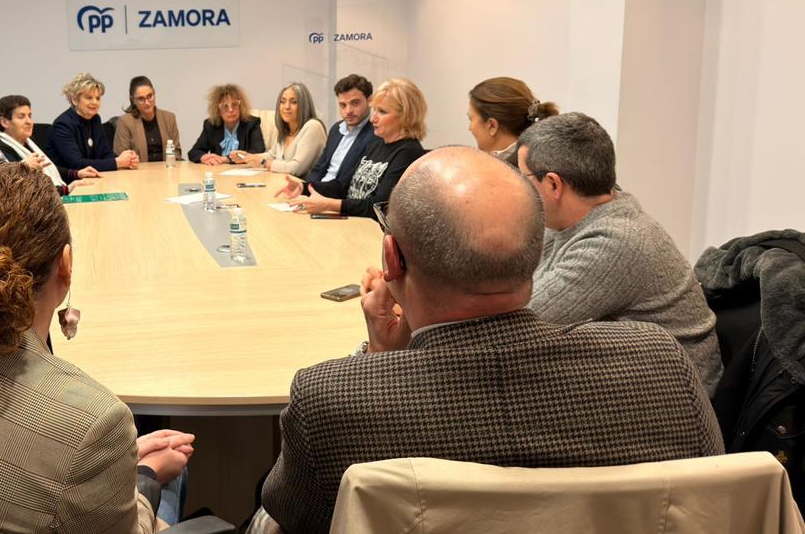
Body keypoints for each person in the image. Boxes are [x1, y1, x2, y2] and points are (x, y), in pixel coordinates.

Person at [254, 147, 724, 534]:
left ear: (391, 259)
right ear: (537, 252)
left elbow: (294, 517)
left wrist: (380, 359)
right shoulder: (660, 365)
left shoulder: (331, 400)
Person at [0, 163, 194, 533]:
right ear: (66, 265)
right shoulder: (95, 420)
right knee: (176, 474)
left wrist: (110, 468)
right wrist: (143, 476)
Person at [517, 112, 723, 393]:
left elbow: (520, 323)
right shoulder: (573, 219)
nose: (519, 188)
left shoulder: (616, 242)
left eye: (523, 177)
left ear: (553, 184)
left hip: (672, 403)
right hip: (629, 380)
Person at [278, 78, 427, 219]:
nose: (372, 118)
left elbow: (379, 206)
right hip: (352, 222)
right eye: (374, 110)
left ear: (406, 115)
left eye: (382, 112)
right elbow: (343, 186)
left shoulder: (408, 152)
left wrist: (329, 204)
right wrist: (303, 187)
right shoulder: (377, 144)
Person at [0, 94, 96, 194]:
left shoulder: (29, 141)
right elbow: (23, 189)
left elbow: (48, 168)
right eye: (21, 117)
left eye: (29, 116)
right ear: (4, 122)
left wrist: (77, 173)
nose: (29, 122)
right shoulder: (0, 149)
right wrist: (66, 189)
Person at [48, 72, 139, 172]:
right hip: (68, 183)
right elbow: (77, 163)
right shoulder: (63, 125)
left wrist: (126, 160)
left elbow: (105, 153)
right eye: (89, 98)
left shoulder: (95, 119)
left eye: (98, 98)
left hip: (91, 179)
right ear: (74, 100)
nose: (95, 102)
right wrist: (117, 162)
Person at [467, 76, 559, 164]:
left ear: (492, 126)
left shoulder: (510, 174)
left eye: (471, 119)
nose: (470, 128)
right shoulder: (540, 159)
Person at [304, 74, 377, 185]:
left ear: (370, 101)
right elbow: (319, 168)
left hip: (335, 197)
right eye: (343, 105)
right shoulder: (336, 129)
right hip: (316, 192)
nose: (348, 111)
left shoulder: (375, 134)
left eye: (355, 103)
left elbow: (349, 180)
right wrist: (306, 188)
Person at [243, 82, 326, 178]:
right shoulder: (285, 129)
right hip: (283, 183)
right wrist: (247, 156)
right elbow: (271, 155)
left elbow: (296, 169)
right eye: (282, 102)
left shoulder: (313, 126)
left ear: (304, 106)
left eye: (294, 102)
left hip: (304, 189)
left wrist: (264, 163)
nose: (286, 107)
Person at [187, 83, 266, 165]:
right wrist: (204, 157)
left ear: (241, 106)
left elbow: (258, 152)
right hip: (217, 172)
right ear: (217, 109)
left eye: (234, 104)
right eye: (225, 106)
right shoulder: (211, 125)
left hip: (243, 174)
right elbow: (194, 152)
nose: (231, 110)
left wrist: (225, 159)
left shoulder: (251, 123)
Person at [113, 75, 182, 162]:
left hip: (167, 171)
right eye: (141, 99)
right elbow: (121, 156)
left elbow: (177, 151)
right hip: (137, 173)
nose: (147, 102)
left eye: (150, 96)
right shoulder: (125, 122)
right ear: (133, 100)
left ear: (154, 93)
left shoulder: (169, 118)